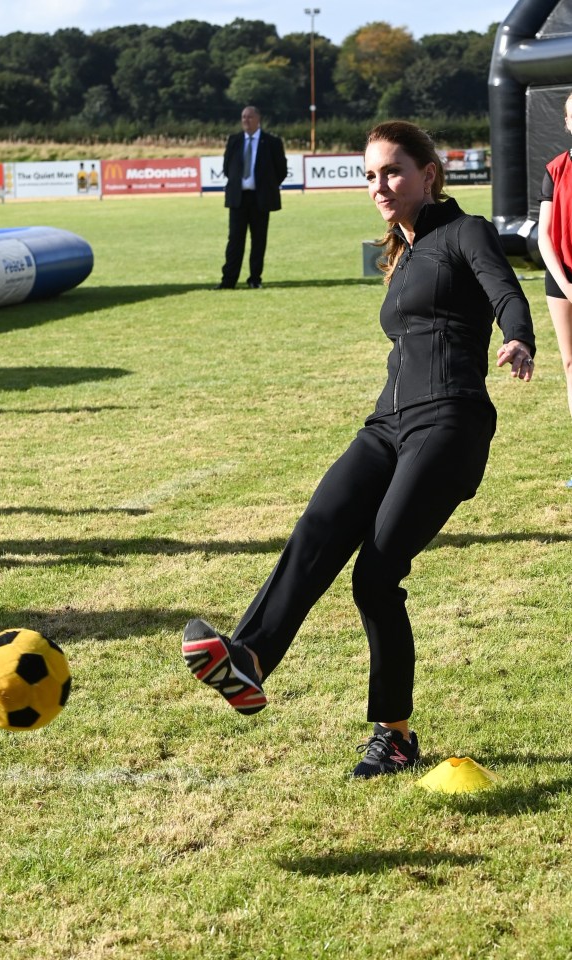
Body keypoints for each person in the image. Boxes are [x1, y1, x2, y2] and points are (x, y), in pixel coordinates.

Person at [184, 120, 536, 779]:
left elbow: (505, 293)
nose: (379, 184)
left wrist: (518, 338)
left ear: (430, 174)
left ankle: (394, 736)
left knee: (375, 575)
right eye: (370, 174)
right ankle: (249, 660)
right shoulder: (399, 256)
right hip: (386, 426)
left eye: (393, 171)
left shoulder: (467, 232)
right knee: (318, 527)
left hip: (449, 422)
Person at [537, 91, 572, 486]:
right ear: (566, 123)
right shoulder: (555, 168)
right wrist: (565, 283)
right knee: (570, 364)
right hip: (561, 278)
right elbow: (545, 236)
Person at [215, 105, 287, 289]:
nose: (245, 120)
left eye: (249, 117)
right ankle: (228, 281)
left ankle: (255, 279)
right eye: (243, 117)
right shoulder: (234, 140)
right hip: (238, 199)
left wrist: (265, 187)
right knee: (235, 241)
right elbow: (227, 168)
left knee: (258, 241)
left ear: (258, 119)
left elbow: (281, 171)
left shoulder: (271, 142)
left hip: (260, 199)